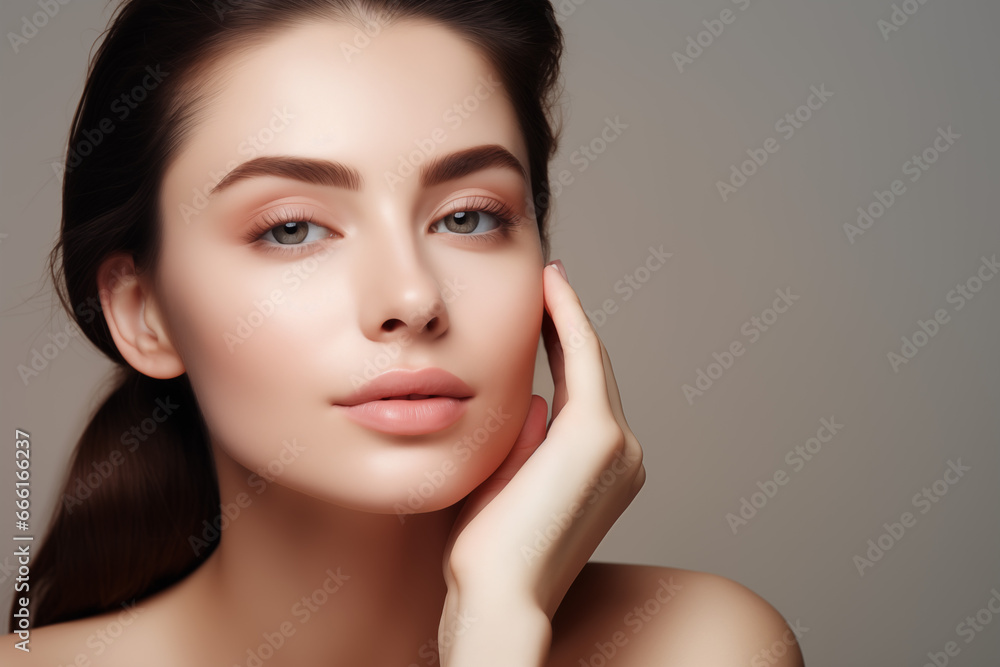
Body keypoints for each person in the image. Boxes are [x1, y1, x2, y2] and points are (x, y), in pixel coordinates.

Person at [5, 0, 804, 664]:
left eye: (468, 216)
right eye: (291, 229)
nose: (413, 296)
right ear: (143, 312)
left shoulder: (700, 646)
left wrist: (499, 621)